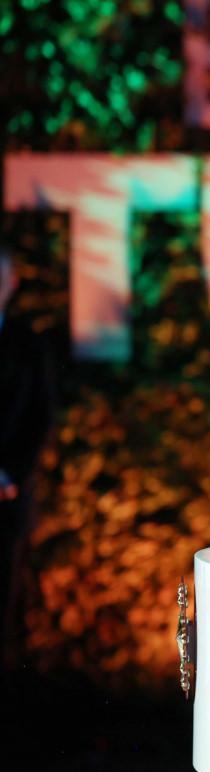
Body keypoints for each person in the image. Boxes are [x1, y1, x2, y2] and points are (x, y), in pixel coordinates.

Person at [0, 240, 57, 678]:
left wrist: (9, 474)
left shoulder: (28, 345)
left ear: (12, 283)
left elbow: (41, 417)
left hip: (7, 499)